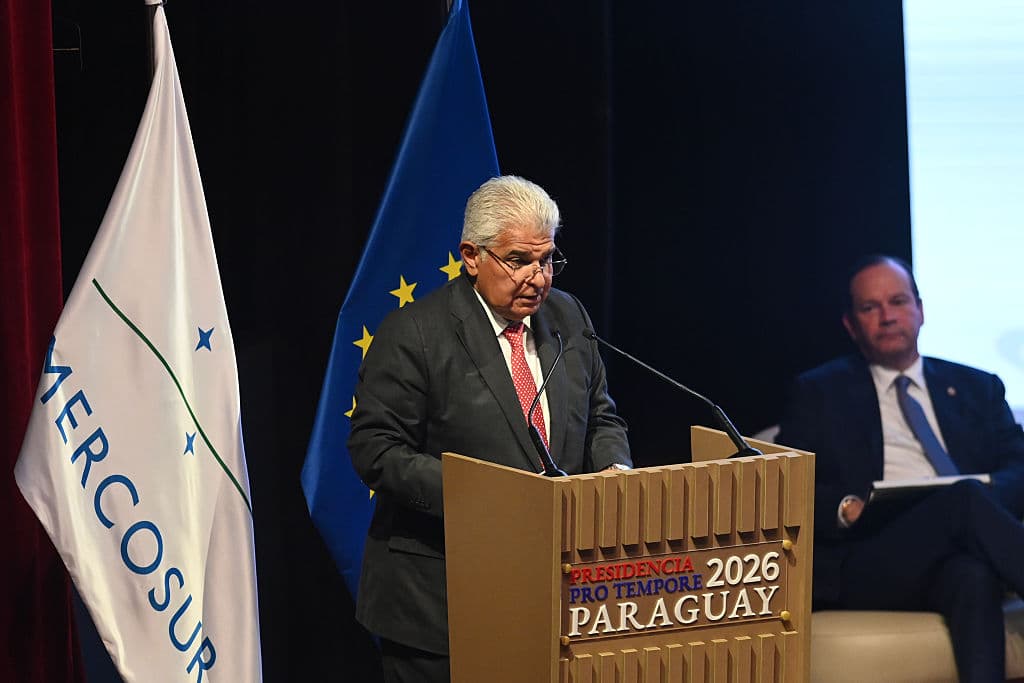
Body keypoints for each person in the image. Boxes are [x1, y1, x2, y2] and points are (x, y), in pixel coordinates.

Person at [348, 175, 632, 683]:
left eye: (547, 260)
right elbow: (376, 449)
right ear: (472, 256)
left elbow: (600, 416)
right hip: (439, 603)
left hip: (553, 595)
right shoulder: (415, 333)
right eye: (519, 260)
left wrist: (614, 468)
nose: (538, 278)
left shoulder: (568, 317)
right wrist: (485, 496)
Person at [777, 254, 1024, 682]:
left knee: (972, 575)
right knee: (963, 498)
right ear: (851, 325)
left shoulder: (977, 386)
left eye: (898, 301)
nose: (887, 316)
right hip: (872, 555)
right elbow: (788, 483)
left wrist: (983, 502)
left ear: (920, 310)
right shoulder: (819, 392)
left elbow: (1018, 466)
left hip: (960, 545)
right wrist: (846, 506)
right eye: (870, 307)